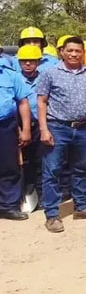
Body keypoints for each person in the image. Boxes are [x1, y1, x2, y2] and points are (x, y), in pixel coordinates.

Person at [38, 37, 86, 232]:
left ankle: (82, 207)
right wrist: (44, 129)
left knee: (81, 168)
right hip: (58, 127)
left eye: (78, 51)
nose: (74, 54)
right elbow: (42, 102)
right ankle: (52, 215)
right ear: (62, 52)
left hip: (84, 128)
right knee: (52, 171)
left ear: (83, 52)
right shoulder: (50, 73)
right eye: (70, 51)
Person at [0, 46, 32, 220]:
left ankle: (8, 206)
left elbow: (23, 102)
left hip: (5, 126)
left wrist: (26, 129)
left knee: (9, 167)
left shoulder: (11, 74)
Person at [16, 46, 43, 212]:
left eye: (31, 61)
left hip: (40, 126)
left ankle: (40, 196)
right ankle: (18, 197)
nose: (27, 64)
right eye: (24, 61)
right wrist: (20, 129)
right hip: (19, 126)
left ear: (38, 62)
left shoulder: (45, 78)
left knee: (40, 162)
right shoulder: (15, 79)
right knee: (19, 164)